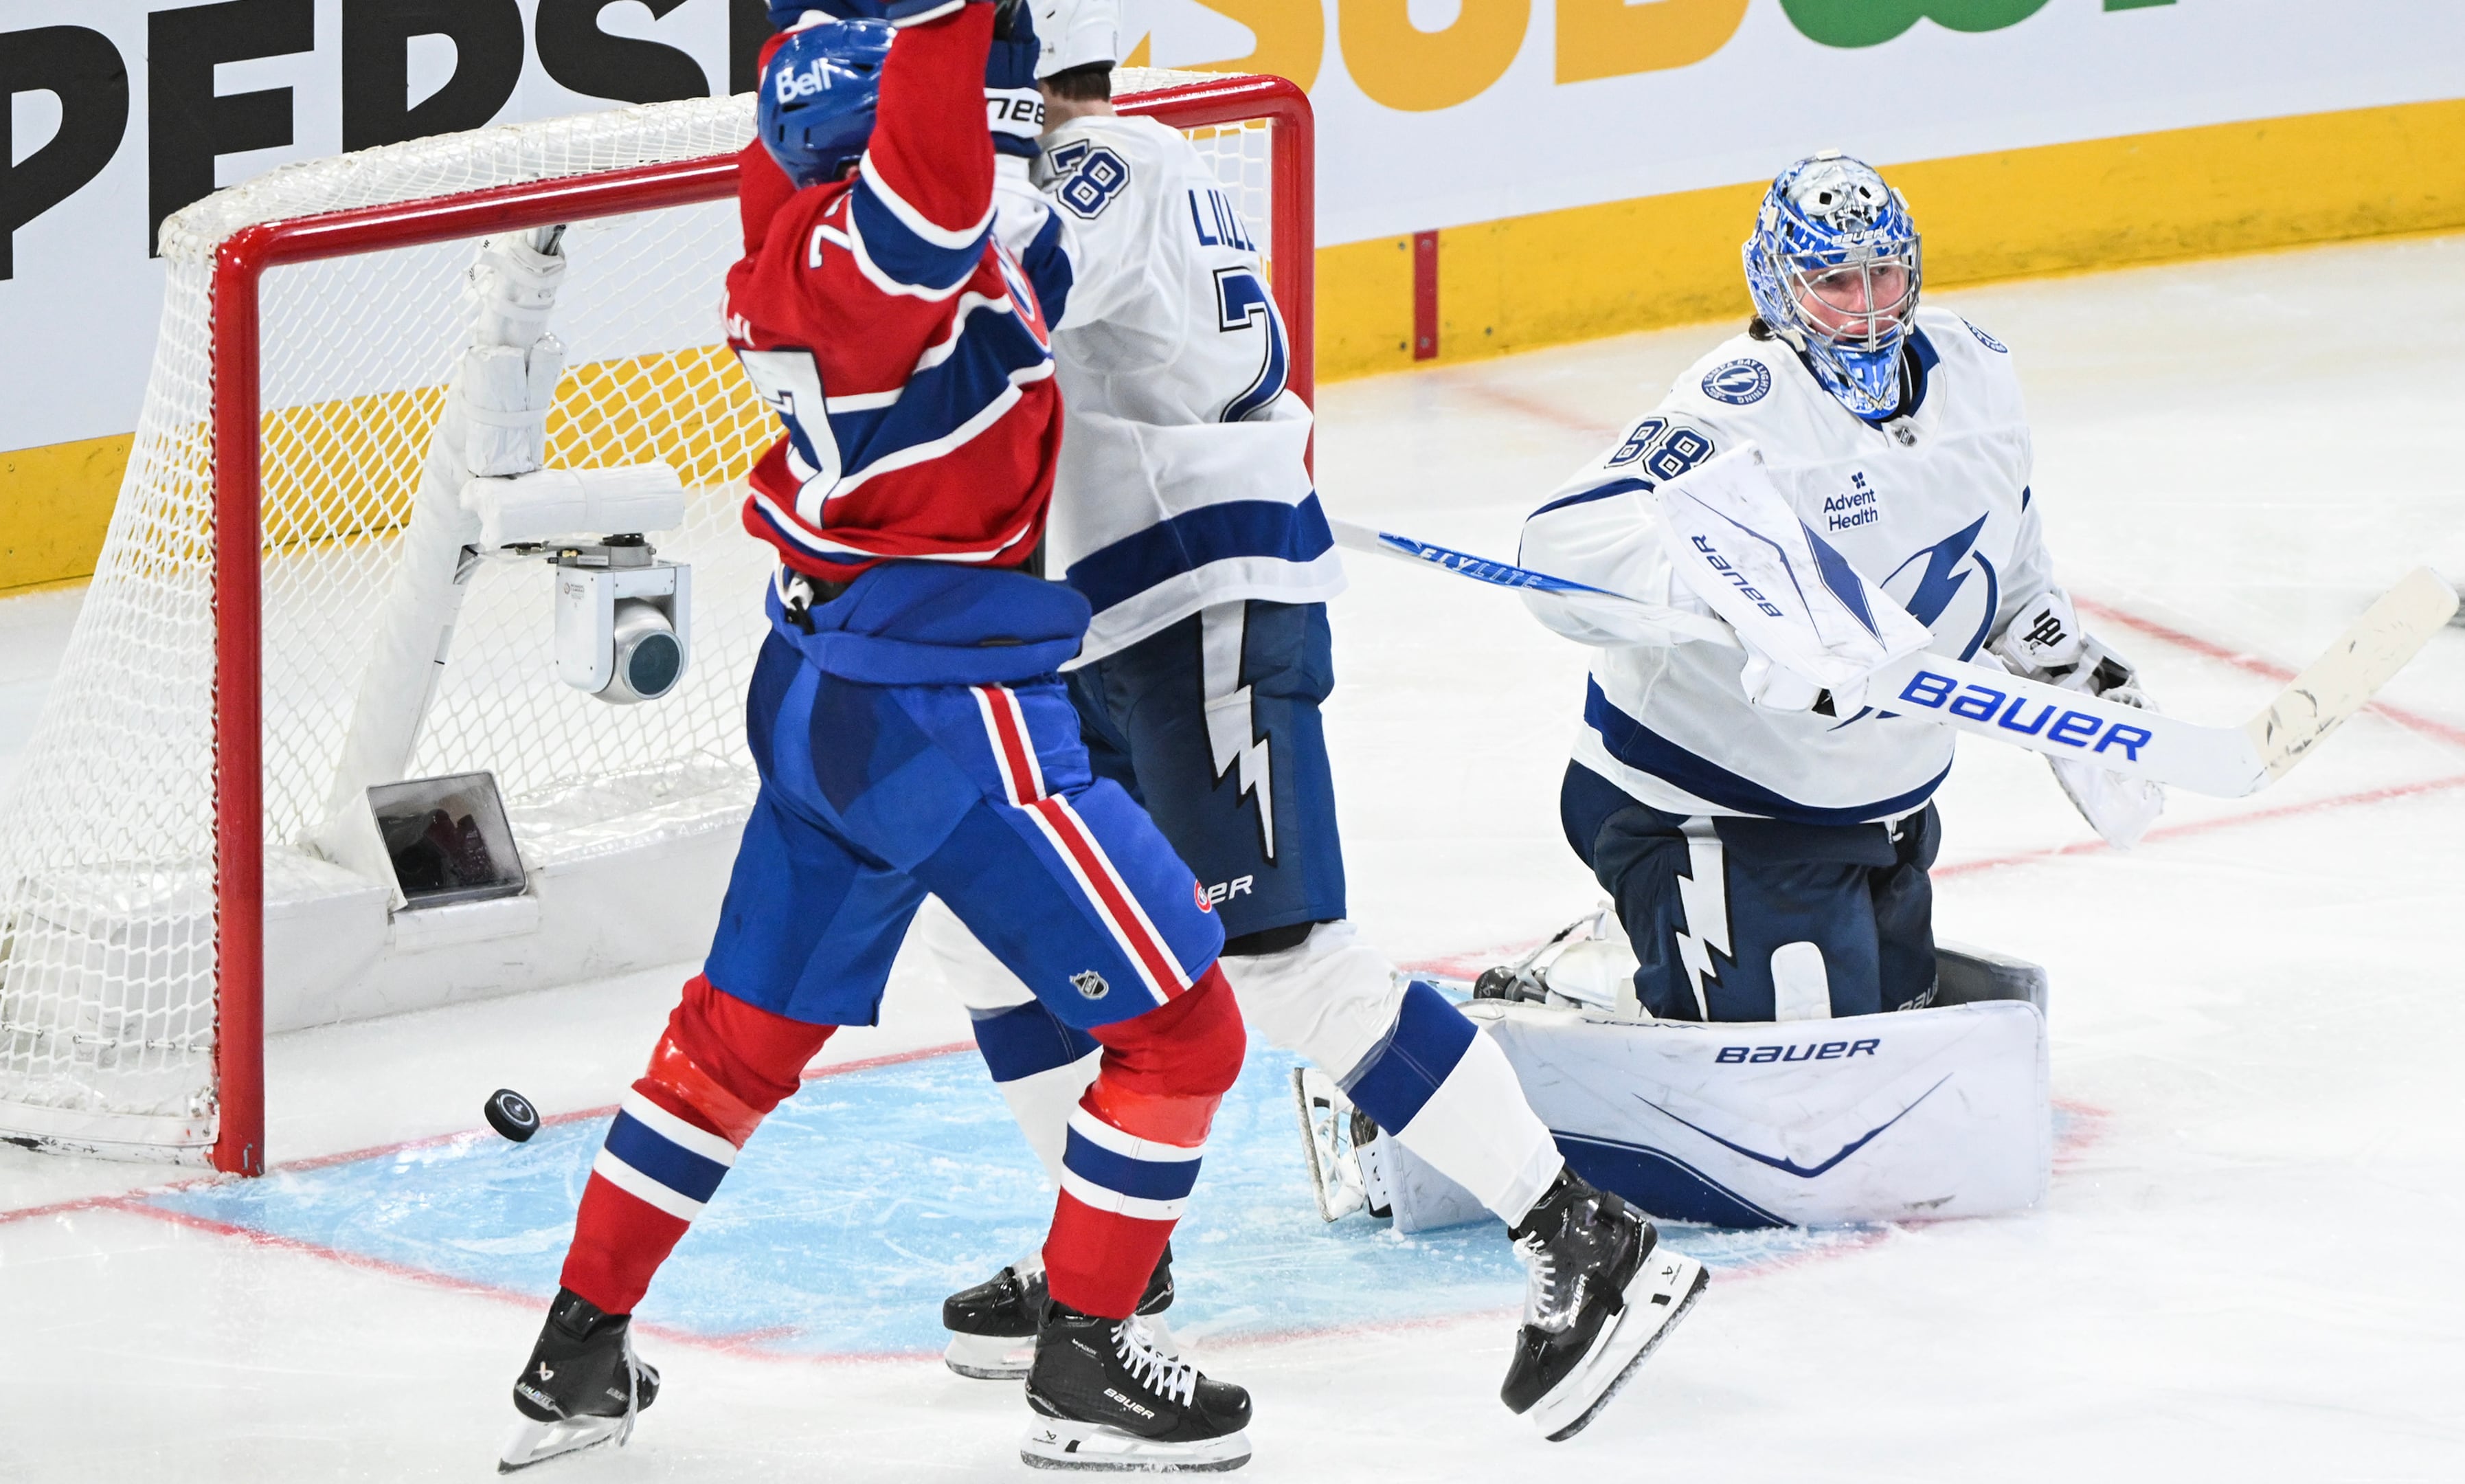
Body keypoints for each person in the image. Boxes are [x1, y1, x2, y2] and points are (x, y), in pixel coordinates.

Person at [910, 0, 1707, 1443]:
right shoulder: (1121, 163)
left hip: (1198, 604)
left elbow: (976, 313)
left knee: (1277, 962)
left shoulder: (1101, 171)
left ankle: (1581, 1233)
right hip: (1106, 618)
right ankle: (1115, 1269)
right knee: (986, 921)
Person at [499, 1, 1258, 1471]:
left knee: (732, 1048)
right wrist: (950, 16)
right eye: (976, 123)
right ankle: (1086, 1365)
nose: (998, 138)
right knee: (1184, 1034)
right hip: (953, 720)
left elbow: (848, 97)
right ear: (888, 149)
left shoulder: (787, 222)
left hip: (823, 691)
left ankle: (574, 1355)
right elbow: (927, 139)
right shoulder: (883, 259)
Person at [1516, 150, 2162, 1026]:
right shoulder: (1736, 406)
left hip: (1884, 807)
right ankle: (1598, 973)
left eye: (1882, 275)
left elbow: (2003, 533)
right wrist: (1744, 598)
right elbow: (1561, 544)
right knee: (1797, 1085)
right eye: (1833, 283)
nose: (1865, 309)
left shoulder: (1975, 373)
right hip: (1709, 812)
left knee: (1887, 1044)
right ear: (1777, 286)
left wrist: (2056, 659)